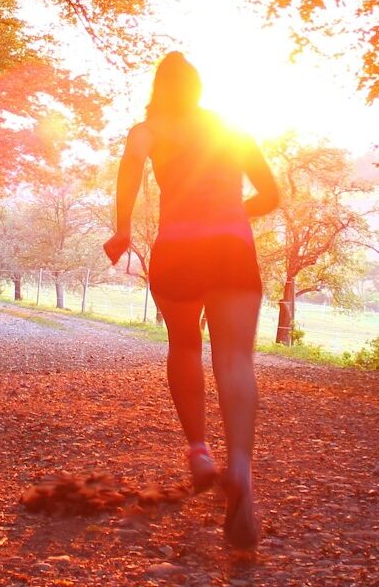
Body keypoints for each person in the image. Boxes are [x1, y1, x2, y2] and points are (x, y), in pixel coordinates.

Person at [103, 52, 279, 550]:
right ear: (199, 89)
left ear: (159, 87)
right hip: (231, 248)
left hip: (177, 249)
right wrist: (229, 211)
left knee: (184, 344)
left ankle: (200, 454)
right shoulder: (231, 129)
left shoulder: (147, 130)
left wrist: (120, 231)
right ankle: (240, 468)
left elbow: (128, 179)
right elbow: (270, 194)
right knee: (235, 357)